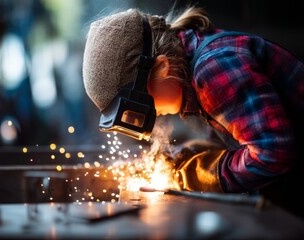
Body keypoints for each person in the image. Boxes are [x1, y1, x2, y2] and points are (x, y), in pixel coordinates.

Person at [82, 6, 304, 218]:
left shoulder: (213, 68)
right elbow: (239, 132)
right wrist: (184, 156)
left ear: (162, 67)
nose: (154, 114)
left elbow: (273, 153)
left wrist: (196, 174)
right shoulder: (196, 65)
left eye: (140, 105)